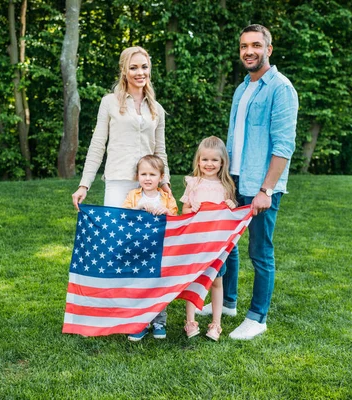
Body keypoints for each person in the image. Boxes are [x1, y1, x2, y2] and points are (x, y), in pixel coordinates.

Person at [220, 24, 298, 340]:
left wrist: (266, 189)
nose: (248, 51)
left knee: (260, 250)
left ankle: (258, 317)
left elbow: (283, 145)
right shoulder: (243, 88)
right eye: (243, 46)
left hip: (261, 186)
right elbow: (234, 139)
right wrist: (224, 178)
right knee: (226, 245)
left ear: (268, 48)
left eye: (255, 45)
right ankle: (227, 302)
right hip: (235, 178)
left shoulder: (281, 88)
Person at [71, 46, 171, 210]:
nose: (140, 72)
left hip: (148, 185)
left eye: (144, 67)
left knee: (143, 235)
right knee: (115, 234)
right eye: (133, 68)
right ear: (124, 71)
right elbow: (97, 145)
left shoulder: (157, 108)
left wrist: (164, 181)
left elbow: (160, 150)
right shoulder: (109, 102)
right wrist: (84, 185)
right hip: (117, 180)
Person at [180, 136, 237, 341]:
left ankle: (216, 323)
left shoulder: (226, 186)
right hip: (195, 243)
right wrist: (191, 208)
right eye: (205, 160)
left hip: (216, 244)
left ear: (222, 162)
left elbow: (230, 218)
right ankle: (190, 320)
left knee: (216, 282)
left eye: (214, 160)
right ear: (198, 161)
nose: (209, 164)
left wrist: (231, 207)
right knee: (193, 281)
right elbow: (184, 210)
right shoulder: (193, 183)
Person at [122, 155, 178, 341]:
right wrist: (138, 208)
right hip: (138, 250)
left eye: (152, 174)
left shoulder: (167, 198)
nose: (147, 178)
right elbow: (124, 217)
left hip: (160, 250)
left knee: (158, 286)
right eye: (143, 174)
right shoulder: (133, 196)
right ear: (137, 176)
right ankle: (141, 322)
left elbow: (177, 222)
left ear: (160, 177)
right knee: (140, 285)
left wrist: (167, 212)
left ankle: (159, 321)